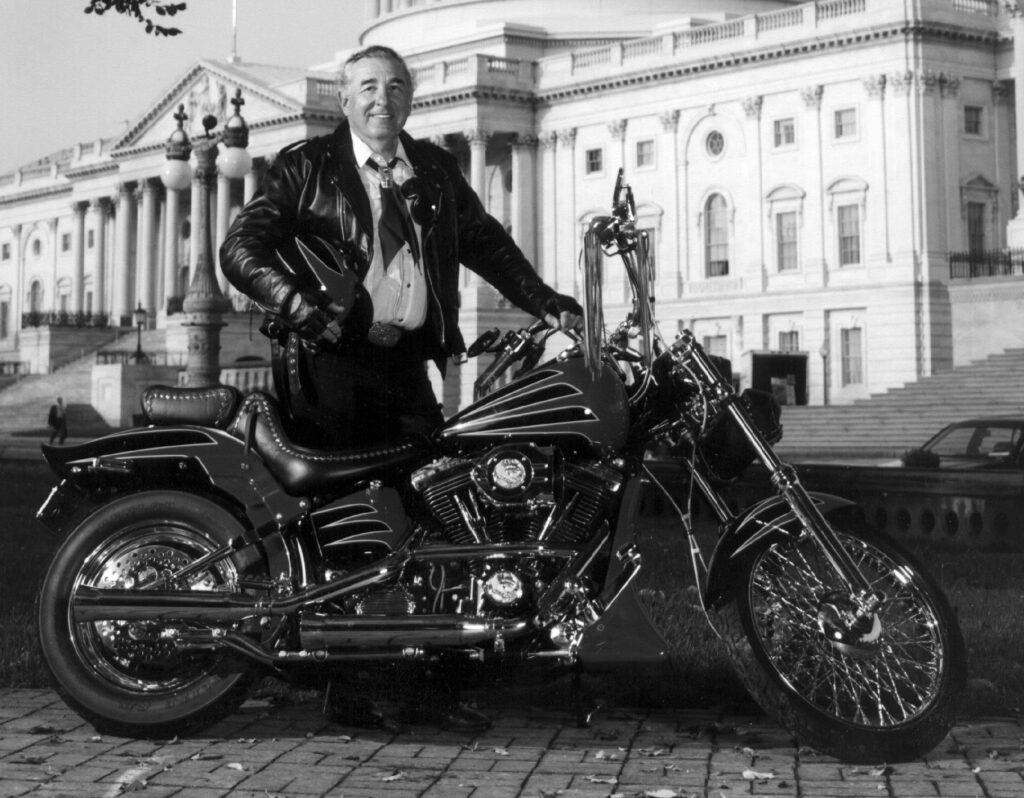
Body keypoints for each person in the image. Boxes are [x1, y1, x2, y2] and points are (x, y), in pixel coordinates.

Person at [220, 45, 582, 730]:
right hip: (327, 364)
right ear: (345, 99)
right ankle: (347, 687)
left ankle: (428, 688)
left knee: (437, 516)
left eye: (393, 86)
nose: (380, 99)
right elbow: (240, 249)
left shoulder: (435, 170)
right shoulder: (306, 167)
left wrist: (544, 301)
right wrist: (297, 306)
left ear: (411, 98)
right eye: (366, 87)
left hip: (407, 366)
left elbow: (487, 243)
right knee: (344, 524)